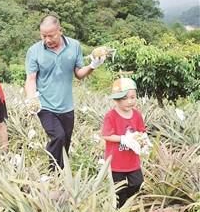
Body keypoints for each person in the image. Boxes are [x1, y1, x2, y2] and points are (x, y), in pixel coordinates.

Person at [24, 14, 105, 170]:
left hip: (67, 106)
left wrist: (93, 65)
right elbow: (31, 79)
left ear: (60, 30)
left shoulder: (74, 46)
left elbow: (79, 74)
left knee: (65, 142)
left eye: (51, 35)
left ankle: (62, 174)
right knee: (58, 136)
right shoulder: (34, 51)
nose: (47, 39)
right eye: (43, 36)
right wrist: (31, 99)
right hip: (45, 105)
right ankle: (52, 173)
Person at [101, 77, 146, 208]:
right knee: (119, 190)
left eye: (133, 97)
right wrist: (123, 139)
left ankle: (129, 202)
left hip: (133, 161)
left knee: (138, 183)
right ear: (116, 100)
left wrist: (142, 140)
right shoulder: (111, 115)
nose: (129, 101)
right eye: (124, 98)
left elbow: (141, 132)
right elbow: (106, 135)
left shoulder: (137, 115)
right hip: (116, 162)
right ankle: (122, 206)